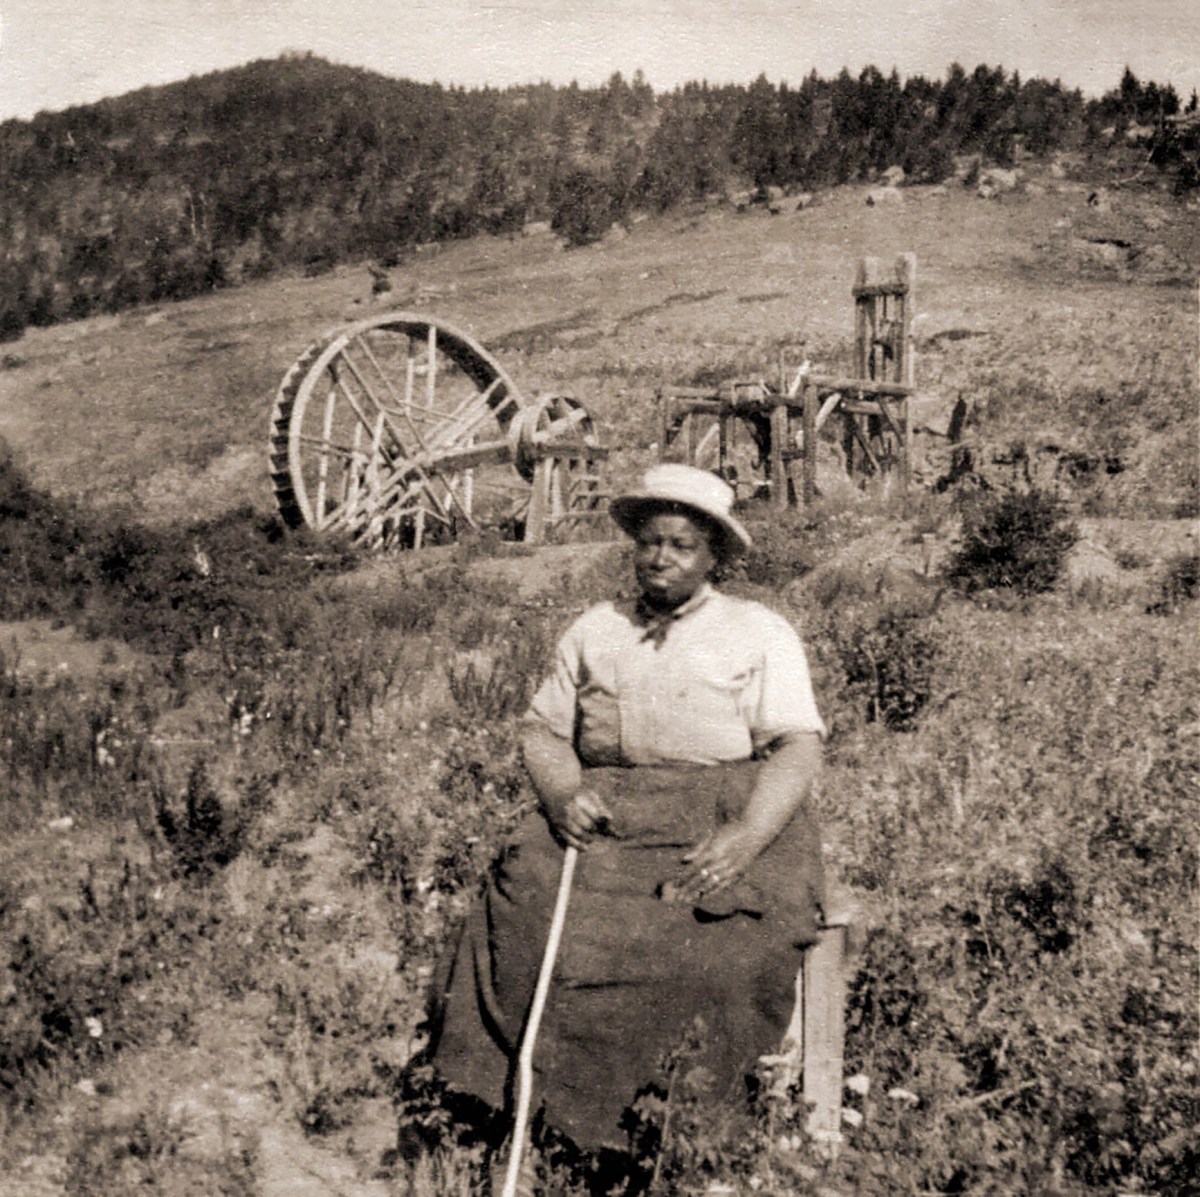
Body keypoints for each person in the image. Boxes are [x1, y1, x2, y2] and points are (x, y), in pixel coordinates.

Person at [415, 463, 827, 1185]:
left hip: (725, 805)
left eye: (681, 544)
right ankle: (513, 1103)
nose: (661, 557)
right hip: (608, 808)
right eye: (649, 542)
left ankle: (665, 1125)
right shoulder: (596, 629)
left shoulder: (758, 631)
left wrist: (746, 836)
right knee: (522, 898)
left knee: (714, 941)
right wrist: (562, 790)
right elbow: (543, 731)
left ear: (713, 558)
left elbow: (797, 746)